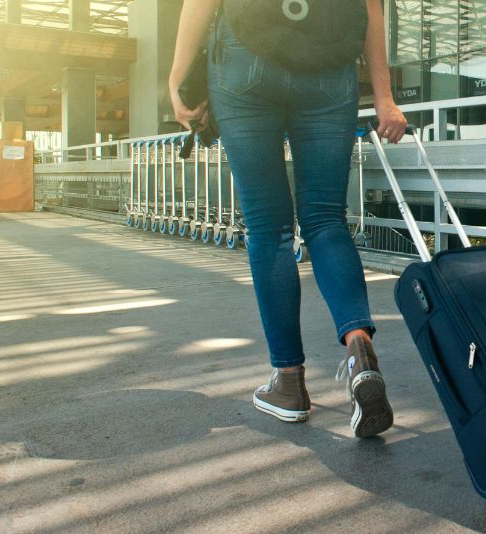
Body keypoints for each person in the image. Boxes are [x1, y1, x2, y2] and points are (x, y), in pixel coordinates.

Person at [169, 0, 407, 437]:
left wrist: (177, 79)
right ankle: (360, 352)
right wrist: (385, 97)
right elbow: (371, 7)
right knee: (325, 220)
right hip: (330, 68)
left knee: (269, 228)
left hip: (245, 61)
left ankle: (289, 384)